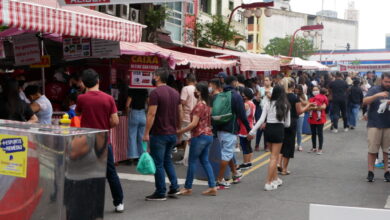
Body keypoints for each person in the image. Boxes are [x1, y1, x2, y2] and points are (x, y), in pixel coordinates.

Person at [75, 68, 124, 212]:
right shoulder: (108, 98)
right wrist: (104, 125)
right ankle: (119, 203)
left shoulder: (81, 98)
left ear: (83, 83)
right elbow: (115, 121)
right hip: (103, 140)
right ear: (98, 81)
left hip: (86, 140)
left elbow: (78, 113)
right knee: (111, 173)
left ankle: (89, 203)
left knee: (87, 172)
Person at [142, 67, 183, 201]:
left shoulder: (155, 93)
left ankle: (160, 191)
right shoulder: (175, 93)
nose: (153, 77)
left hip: (159, 133)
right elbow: (180, 113)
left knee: (158, 163)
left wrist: (146, 132)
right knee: (167, 161)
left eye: (154, 75)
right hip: (172, 132)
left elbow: (151, 113)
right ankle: (174, 186)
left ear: (158, 77)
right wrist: (178, 129)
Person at [177, 82, 217, 196]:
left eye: (196, 90)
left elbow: (194, 124)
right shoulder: (207, 105)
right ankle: (212, 186)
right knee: (205, 161)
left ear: (199, 92)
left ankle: (187, 187)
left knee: (192, 162)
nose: (195, 92)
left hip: (199, 136)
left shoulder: (199, 106)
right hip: (208, 135)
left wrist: (181, 131)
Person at [248, 85, 290, 191]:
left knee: (272, 156)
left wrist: (252, 131)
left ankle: (275, 179)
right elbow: (287, 124)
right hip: (279, 129)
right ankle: (268, 182)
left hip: (268, 130)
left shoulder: (268, 103)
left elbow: (261, 120)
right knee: (274, 158)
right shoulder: (286, 105)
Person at [212, 76, 251, 189]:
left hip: (219, 129)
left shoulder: (218, 95)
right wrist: (249, 129)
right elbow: (242, 115)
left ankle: (235, 173)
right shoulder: (236, 96)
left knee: (227, 152)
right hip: (230, 129)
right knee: (227, 153)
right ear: (234, 83)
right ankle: (219, 180)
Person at [279, 79, 313, 175]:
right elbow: (299, 111)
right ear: (293, 87)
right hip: (292, 122)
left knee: (281, 144)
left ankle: (279, 164)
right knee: (289, 145)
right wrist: (308, 105)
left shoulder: (281, 97)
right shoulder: (294, 98)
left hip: (281, 122)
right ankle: (284, 169)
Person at [362, 72, 390, 182]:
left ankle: (387, 172)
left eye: (389, 82)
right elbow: (364, 101)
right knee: (373, 150)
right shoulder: (374, 89)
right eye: (386, 81)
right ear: (381, 80)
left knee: (387, 151)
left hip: (388, 124)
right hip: (375, 124)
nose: (388, 84)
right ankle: (370, 172)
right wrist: (377, 96)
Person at [177, 73, 198, 165]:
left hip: (186, 116)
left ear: (187, 80)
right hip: (196, 116)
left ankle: (186, 159)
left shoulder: (185, 89)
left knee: (186, 137)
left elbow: (183, 101)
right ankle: (191, 156)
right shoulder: (197, 89)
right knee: (193, 136)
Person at [125, 88, 148, 164]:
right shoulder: (145, 90)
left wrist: (127, 114)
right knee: (141, 137)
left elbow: (127, 105)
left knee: (132, 136)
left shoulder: (132, 90)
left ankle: (132, 157)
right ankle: (141, 157)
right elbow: (149, 103)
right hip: (143, 114)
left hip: (134, 113)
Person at [237, 88, 256, 170]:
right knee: (248, 145)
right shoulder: (252, 103)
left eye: (243, 94)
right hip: (251, 125)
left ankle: (245, 163)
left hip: (244, 127)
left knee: (244, 145)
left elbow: (240, 115)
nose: (242, 95)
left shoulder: (246, 104)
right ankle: (249, 162)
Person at [308, 86, 329, 155]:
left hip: (320, 119)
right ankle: (314, 147)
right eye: (314, 90)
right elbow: (308, 108)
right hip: (312, 118)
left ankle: (320, 148)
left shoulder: (323, 98)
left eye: (316, 90)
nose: (315, 91)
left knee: (320, 133)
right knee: (313, 134)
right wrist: (317, 107)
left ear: (319, 90)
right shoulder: (311, 99)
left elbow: (324, 107)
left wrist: (314, 107)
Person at [256, 76, 273, 152]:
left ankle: (266, 145)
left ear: (270, 81)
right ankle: (257, 144)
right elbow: (257, 99)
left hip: (269, 110)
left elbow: (274, 99)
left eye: (267, 80)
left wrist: (268, 95)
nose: (265, 82)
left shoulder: (273, 89)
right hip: (261, 109)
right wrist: (259, 96)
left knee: (267, 128)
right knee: (259, 127)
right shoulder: (261, 89)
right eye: (264, 80)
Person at [295, 85, 307, 152]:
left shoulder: (304, 96)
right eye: (296, 88)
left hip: (300, 115)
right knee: (293, 131)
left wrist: (299, 99)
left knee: (299, 131)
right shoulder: (293, 95)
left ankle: (299, 145)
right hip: (293, 115)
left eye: (298, 89)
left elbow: (306, 104)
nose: (296, 90)